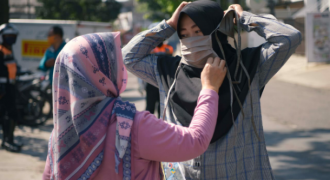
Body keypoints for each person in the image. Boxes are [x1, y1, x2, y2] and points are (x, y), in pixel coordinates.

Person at [122, 1, 301, 179]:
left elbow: (289, 37)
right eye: (184, 34)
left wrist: (244, 18)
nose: (191, 40)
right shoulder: (168, 71)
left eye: (198, 31)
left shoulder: (247, 66)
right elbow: (128, 57)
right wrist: (169, 25)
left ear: (218, 30)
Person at [42, 32, 227, 180]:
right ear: (104, 69)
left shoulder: (60, 133)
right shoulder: (131, 125)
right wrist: (210, 89)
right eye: (114, 59)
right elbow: (195, 141)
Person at [0, 23, 22, 152]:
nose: (11, 38)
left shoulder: (9, 50)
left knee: (11, 114)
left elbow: (11, 68)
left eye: (12, 36)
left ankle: (9, 140)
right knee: (7, 114)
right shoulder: (1, 50)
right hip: (3, 89)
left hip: (10, 87)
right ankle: (7, 141)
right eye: (8, 36)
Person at [145, 42, 174, 118]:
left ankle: (160, 124)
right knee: (150, 106)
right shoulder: (150, 49)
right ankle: (147, 125)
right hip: (151, 81)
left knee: (162, 106)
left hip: (163, 80)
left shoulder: (168, 48)